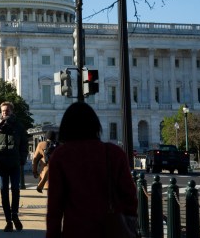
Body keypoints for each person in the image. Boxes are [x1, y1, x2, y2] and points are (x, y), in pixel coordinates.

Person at [46, 102, 138, 238]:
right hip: (111, 229)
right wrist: (128, 222)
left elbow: (55, 206)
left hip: (76, 229)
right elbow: (130, 195)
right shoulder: (114, 153)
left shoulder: (60, 156)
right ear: (96, 126)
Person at [0, 101, 28, 232]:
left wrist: (22, 159)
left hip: (14, 163)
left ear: (12, 111)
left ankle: (15, 214)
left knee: (16, 190)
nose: (4, 112)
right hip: (1, 164)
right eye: (3, 110)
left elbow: (24, 145)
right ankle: (8, 220)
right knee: (4, 192)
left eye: (7, 110)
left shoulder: (18, 126)